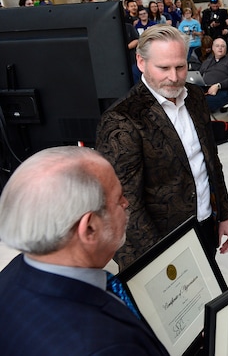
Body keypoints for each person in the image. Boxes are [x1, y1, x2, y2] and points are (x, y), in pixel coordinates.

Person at [0, 147, 169, 355]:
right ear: (89, 228)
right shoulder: (107, 345)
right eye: (119, 198)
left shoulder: (12, 273)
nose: (126, 203)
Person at [96, 25, 228, 269]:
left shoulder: (194, 97)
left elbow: (211, 162)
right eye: (163, 68)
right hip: (160, 243)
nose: (174, 77)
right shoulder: (122, 118)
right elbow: (125, 202)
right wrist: (158, 261)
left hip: (204, 225)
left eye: (180, 66)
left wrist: (224, 214)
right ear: (141, 62)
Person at [200, 38, 228, 112]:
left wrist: (218, 85)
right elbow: (200, 74)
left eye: (223, 46)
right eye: (217, 46)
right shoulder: (207, 62)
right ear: (213, 48)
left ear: (226, 48)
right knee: (189, 99)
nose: (220, 48)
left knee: (202, 103)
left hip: (223, 91)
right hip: (205, 89)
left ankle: (202, 122)